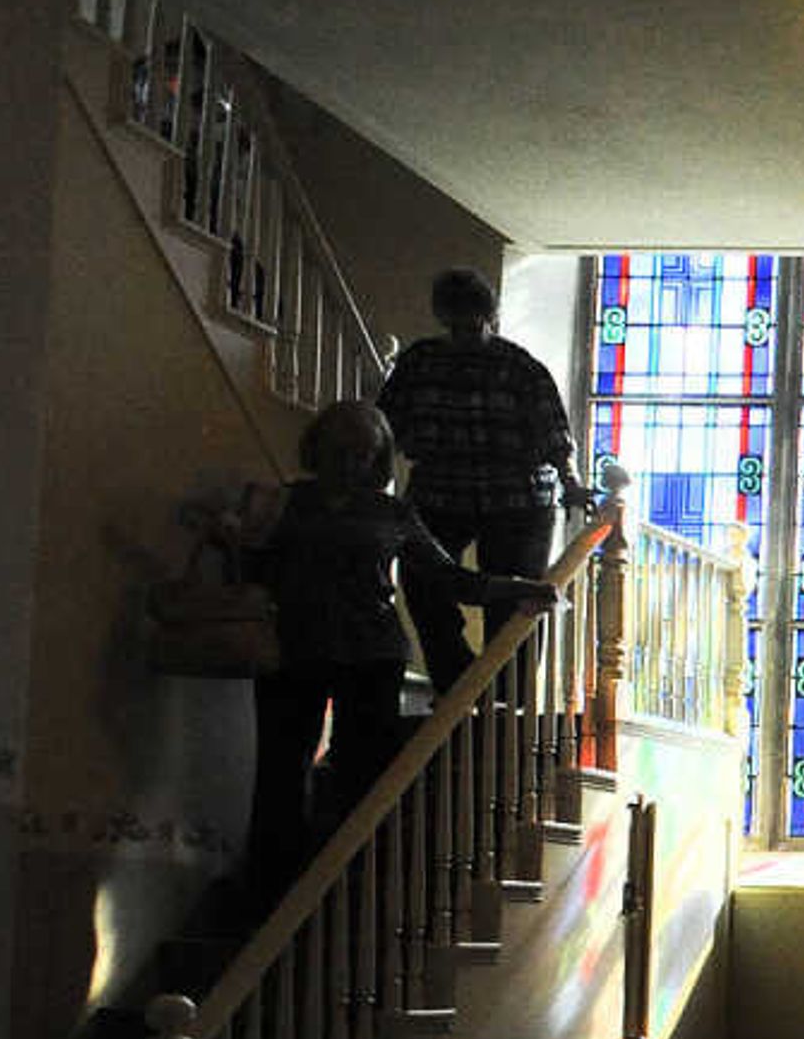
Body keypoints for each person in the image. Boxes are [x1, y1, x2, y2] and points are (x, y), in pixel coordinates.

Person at [231, 400, 552, 904]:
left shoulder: (392, 513)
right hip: (294, 650)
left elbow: (448, 577)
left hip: (371, 656)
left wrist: (514, 587)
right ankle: (270, 889)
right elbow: (250, 570)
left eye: (363, 453)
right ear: (318, 448)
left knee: (363, 776)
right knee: (279, 772)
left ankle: (351, 885)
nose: (351, 463)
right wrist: (235, 540)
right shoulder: (286, 504)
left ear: (378, 457)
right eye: (340, 450)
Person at [378, 266, 587, 688]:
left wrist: (570, 482)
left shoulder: (520, 368)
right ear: (444, 320)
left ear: (490, 318)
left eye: (473, 325)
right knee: (423, 586)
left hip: (518, 500)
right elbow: (385, 427)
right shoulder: (420, 363)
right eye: (457, 326)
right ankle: (458, 682)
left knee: (517, 603)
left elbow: (555, 436)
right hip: (441, 494)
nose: (466, 337)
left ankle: (510, 700)